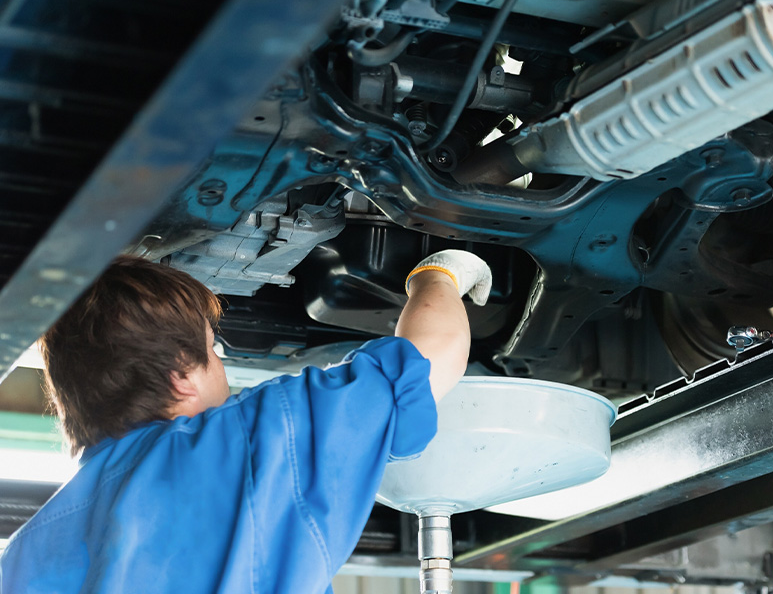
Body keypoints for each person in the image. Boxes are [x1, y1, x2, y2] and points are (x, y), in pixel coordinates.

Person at [0, 249, 491, 593]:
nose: (222, 367)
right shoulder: (251, 438)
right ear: (179, 376)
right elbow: (429, 356)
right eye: (212, 351)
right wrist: (439, 273)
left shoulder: (23, 553)